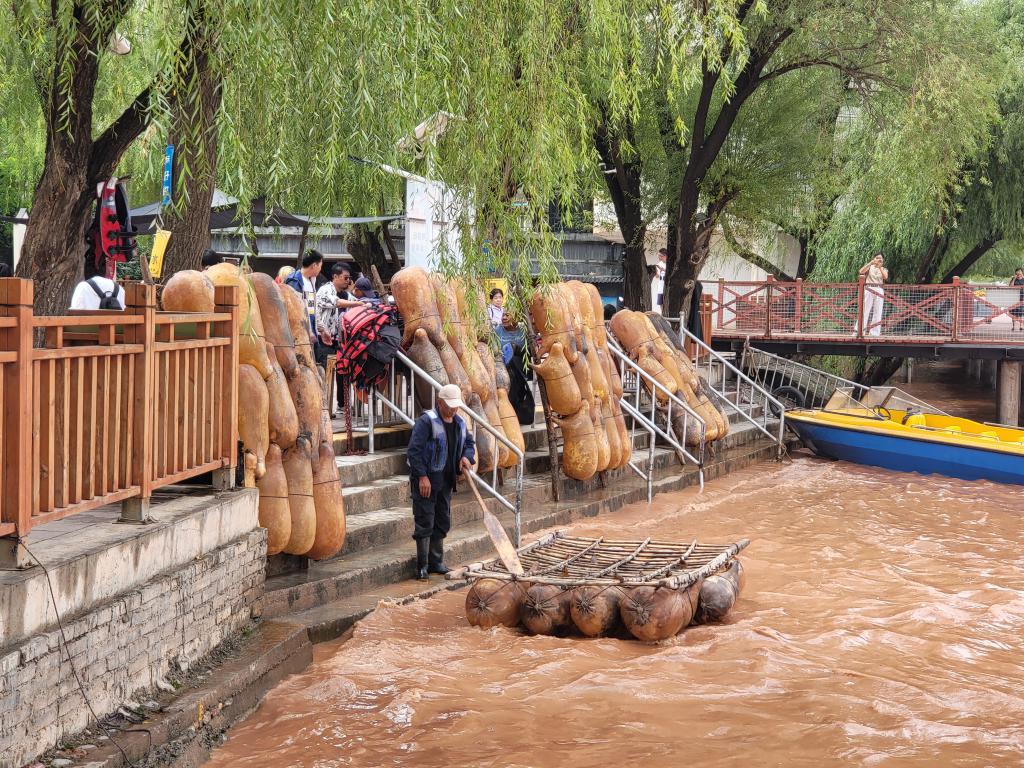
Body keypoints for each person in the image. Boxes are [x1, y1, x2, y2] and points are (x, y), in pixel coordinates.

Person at [406, 384, 476, 580]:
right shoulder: (426, 421)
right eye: (449, 406)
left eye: (456, 406)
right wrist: (422, 476)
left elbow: (469, 444)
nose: (453, 410)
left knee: (442, 520)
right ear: (440, 403)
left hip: (445, 481)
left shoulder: (460, 422)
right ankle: (422, 565)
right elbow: (414, 451)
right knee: (425, 520)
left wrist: (466, 457)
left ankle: (436, 561)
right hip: (426, 481)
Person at [284, 250, 325, 337]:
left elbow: (312, 307)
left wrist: (321, 329)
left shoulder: (311, 280)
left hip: (311, 332)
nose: (321, 269)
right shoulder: (294, 282)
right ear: (314, 265)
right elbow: (295, 311)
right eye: (320, 266)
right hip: (300, 335)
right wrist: (308, 332)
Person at [858, 252, 888, 337]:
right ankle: (860, 331)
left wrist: (880, 268)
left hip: (879, 289)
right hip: (869, 288)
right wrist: (870, 263)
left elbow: (885, 277)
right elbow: (861, 271)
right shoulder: (870, 267)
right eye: (877, 258)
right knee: (865, 310)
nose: (879, 259)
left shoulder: (884, 269)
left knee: (878, 311)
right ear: (874, 258)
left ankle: (874, 333)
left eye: (881, 258)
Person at [650, 248, 667, 315]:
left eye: (661, 256)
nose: (659, 258)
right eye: (659, 256)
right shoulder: (659, 264)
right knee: (660, 302)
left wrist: (663, 270)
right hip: (659, 285)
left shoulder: (669, 265)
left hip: (665, 285)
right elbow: (657, 275)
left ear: (666, 256)